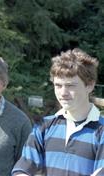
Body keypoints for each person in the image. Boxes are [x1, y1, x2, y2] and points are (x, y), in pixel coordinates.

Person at [12, 48, 104, 176]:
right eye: (58, 85)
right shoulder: (43, 126)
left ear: (90, 85)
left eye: (71, 86)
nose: (63, 93)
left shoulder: (102, 131)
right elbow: (22, 168)